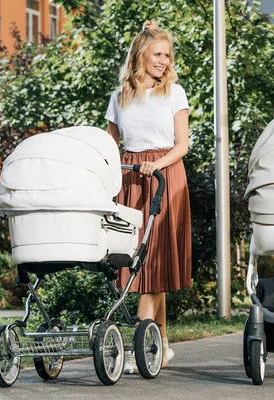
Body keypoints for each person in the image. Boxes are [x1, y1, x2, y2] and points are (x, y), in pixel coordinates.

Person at [105, 20, 191, 373]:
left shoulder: (174, 92)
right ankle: (162, 344)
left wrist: (155, 163)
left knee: (152, 262)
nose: (164, 61)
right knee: (139, 259)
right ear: (141, 55)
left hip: (164, 177)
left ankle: (138, 342)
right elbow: (111, 145)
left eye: (167, 55)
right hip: (129, 179)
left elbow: (182, 144)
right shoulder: (119, 96)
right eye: (158, 54)